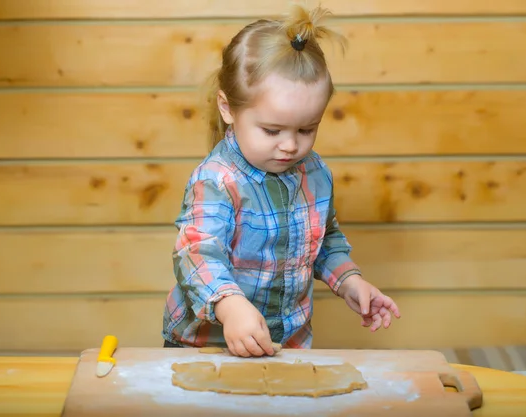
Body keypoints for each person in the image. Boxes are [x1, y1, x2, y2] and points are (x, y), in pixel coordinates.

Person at [162, 4, 400, 357]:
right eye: (272, 130)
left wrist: (349, 281)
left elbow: (324, 240)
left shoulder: (314, 173)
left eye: (307, 129)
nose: (290, 146)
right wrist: (230, 307)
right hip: (206, 345)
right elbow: (198, 253)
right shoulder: (217, 179)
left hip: (286, 344)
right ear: (228, 108)